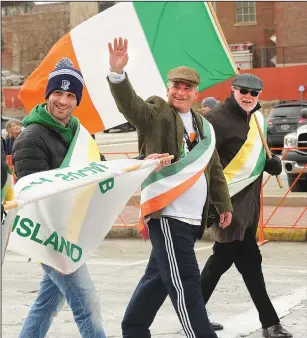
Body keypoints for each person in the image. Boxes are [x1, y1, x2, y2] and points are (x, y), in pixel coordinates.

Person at [12, 57, 171, 338]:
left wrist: (145, 161)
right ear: (48, 94)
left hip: (72, 232)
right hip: (51, 237)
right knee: (87, 303)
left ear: (77, 100)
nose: (63, 100)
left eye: (71, 94)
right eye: (58, 93)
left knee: (48, 302)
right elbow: (32, 195)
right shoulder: (31, 137)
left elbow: (104, 172)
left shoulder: (80, 135)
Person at [107, 37, 233, 338]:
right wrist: (117, 75)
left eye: (187, 87)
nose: (180, 91)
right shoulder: (158, 112)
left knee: (158, 278)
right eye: (176, 85)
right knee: (185, 282)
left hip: (192, 221)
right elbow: (132, 107)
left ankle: (134, 328)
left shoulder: (203, 125)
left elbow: (213, 167)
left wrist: (224, 203)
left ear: (195, 93)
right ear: (168, 89)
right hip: (168, 215)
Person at [200, 73, 292, 338]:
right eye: (243, 91)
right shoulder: (215, 120)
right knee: (246, 262)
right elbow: (204, 164)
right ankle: (270, 324)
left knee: (225, 260)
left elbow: (259, 155)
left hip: (250, 207)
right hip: (228, 206)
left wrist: (271, 162)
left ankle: (192, 312)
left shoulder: (256, 118)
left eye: (254, 94)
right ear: (233, 90)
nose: (248, 97)